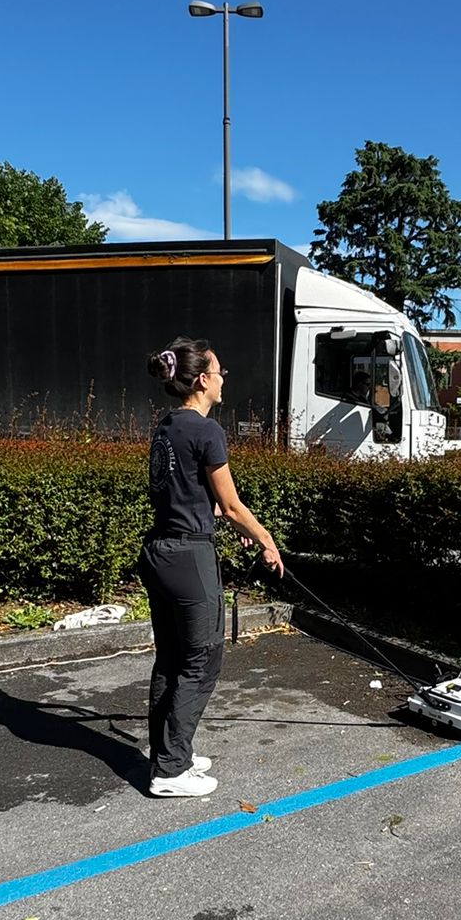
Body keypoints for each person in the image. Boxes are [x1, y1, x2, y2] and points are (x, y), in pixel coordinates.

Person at [139, 338, 284, 798]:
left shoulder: (167, 427)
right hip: (188, 558)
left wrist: (217, 513)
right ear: (203, 380)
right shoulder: (207, 431)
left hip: (160, 551)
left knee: (172, 658)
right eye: (220, 373)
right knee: (202, 659)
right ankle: (170, 771)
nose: (224, 381)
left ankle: (169, 752)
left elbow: (185, 493)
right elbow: (233, 503)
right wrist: (266, 539)